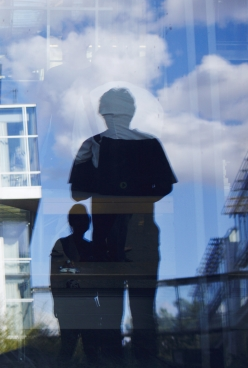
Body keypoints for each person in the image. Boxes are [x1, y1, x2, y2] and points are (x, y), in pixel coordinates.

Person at [68, 87, 176, 364]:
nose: (114, 117)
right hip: (123, 238)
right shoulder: (142, 144)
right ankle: (139, 361)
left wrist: (111, 189)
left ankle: (127, 361)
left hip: (123, 237)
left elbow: (78, 192)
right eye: (112, 111)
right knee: (134, 313)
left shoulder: (96, 145)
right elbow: (163, 186)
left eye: (117, 111)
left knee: (120, 313)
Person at [50, 204, 100, 363]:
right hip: (70, 305)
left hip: (81, 305)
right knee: (70, 348)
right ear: (72, 222)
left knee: (88, 349)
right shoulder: (64, 245)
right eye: (79, 219)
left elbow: (58, 275)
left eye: (84, 219)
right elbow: (56, 277)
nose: (83, 223)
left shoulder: (91, 248)